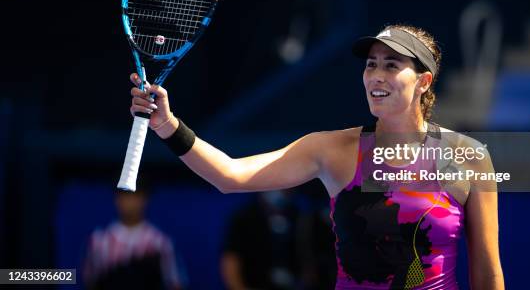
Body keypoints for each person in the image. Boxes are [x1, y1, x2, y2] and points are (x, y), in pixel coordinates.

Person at [129, 24, 504, 289]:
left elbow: (488, 274)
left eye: (392, 65)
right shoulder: (331, 150)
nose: (376, 74)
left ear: (423, 82)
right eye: (371, 64)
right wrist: (168, 125)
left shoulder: (468, 157)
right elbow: (230, 176)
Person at [83, 187, 184, 290]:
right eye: (125, 195)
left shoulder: (160, 243)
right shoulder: (99, 240)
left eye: (135, 196)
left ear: (145, 199)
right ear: (117, 199)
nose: (130, 202)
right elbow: (90, 281)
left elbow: (175, 283)